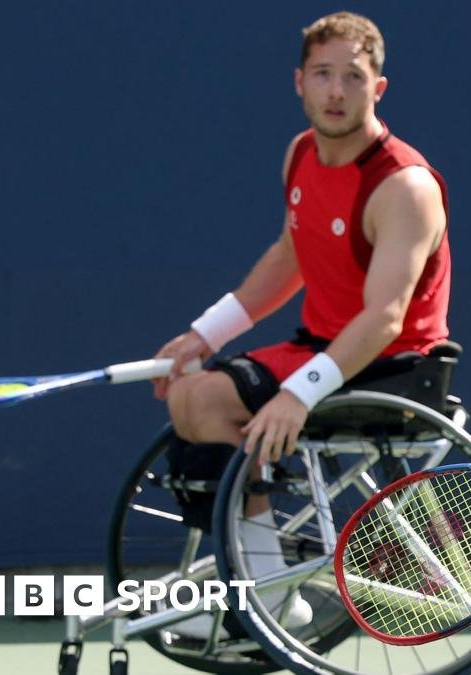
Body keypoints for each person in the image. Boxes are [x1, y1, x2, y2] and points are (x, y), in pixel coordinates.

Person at [150, 11, 451, 633]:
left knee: (206, 404)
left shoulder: (404, 186)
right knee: (188, 397)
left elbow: (387, 316)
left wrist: (298, 393)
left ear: (379, 88)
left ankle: (261, 603)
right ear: (299, 83)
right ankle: (264, 594)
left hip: (392, 364)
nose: (336, 91)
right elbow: (292, 253)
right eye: (322, 74)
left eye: (352, 76)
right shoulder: (301, 155)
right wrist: (205, 334)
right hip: (320, 346)